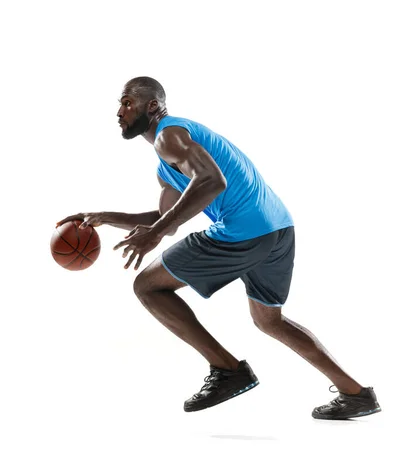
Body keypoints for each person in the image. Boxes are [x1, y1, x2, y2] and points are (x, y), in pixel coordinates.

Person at [57, 76, 381, 419]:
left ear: (152, 106)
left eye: (127, 103)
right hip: (278, 227)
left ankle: (228, 370)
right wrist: (104, 217)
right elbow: (168, 217)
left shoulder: (169, 136)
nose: (119, 112)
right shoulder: (168, 161)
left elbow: (212, 182)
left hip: (243, 230)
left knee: (148, 286)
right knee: (270, 321)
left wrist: (154, 233)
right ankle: (356, 394)